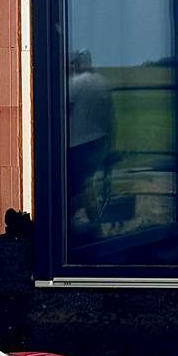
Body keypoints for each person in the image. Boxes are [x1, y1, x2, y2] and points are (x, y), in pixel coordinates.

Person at [67, 50, 114, 236]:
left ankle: (85, 225)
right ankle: (94, 222)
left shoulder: (76, 83)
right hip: (99, 141)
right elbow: (110, 118)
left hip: (78, 143)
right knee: (85, 182)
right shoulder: (102, 83)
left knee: (78, 185)